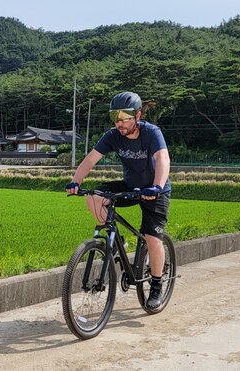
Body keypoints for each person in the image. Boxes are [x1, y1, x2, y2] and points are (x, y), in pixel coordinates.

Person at [65, 91, 171, 310]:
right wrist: (76, 181)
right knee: (95, 197)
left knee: (152, 238)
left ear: (137, 116)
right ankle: (117, 244)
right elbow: (90, 159)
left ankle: (157, 285)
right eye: (116, 118)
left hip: (155, 189)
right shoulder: (113, 135)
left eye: (125, 118)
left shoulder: (152, 133)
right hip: (131, 186)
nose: (120, 123)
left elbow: (162, 158)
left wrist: (158, 186)